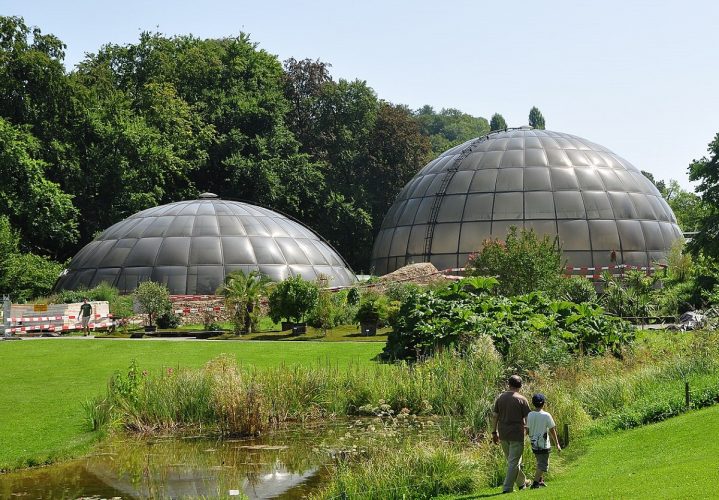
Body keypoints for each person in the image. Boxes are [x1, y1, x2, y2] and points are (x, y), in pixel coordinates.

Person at [491, 374, 531, 493]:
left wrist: (494, 432)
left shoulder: (500, 398)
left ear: (508, 384)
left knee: (512, 461)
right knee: (513, 461)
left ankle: (522, 483)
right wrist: (527, 430)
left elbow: (495, 416)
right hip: (516, 434)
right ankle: (507, 488)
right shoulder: (522, 399)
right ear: (520, 385)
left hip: (503, 433)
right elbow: (528, 417)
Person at [526, 393, 561, 489]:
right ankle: (535, 483)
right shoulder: (546, 415)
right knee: (543, 464)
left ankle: (540, 481)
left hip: (534, 443)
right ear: (543, 403)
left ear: (533, 403)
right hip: (544, 444)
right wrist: (557, 443)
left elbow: (527, 429)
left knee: (539, 462)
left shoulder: (530, 415)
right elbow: (552, 430)